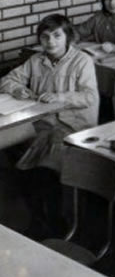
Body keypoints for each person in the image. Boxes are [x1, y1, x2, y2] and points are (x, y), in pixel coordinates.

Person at [0, 14, 98, 170]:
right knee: (9, 136)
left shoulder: (82, 61)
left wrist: (60, 97)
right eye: (45, 37)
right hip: (42, 118)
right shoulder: (36, 59)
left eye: (57, 36)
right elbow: (7, 80)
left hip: (72, 123)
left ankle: (35, 175)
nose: (51, 42)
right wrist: (17, 89)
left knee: (49, 142)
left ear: (68, 37)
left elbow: (90, 96)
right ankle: (23, 173)